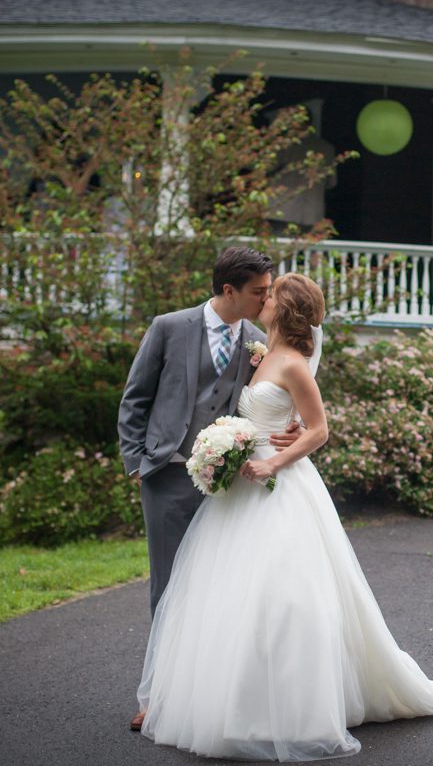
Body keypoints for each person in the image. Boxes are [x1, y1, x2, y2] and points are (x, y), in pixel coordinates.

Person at [135, 273, 433, 760]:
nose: (263, 299)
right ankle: (233, 704)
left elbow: (318, 431)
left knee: (283, 596)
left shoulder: (293, 363)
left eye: (271, 295)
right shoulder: (260, 351)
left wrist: (274, 460)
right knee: (230, 595)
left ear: (287, 309)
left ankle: (287, 708)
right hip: (241, 489)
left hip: (278, 485)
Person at [117, 246, 300, 624]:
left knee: (220, 580)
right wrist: (136, 462)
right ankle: (166, 679)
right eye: (259, 291)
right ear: (229, 290)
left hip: (227, 482)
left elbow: (268, 397)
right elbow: (135, 398)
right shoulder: (169, 327)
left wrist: (291, 422)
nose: (267, 299)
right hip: (166, 472)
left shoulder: (257, 339)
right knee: (167, 583)